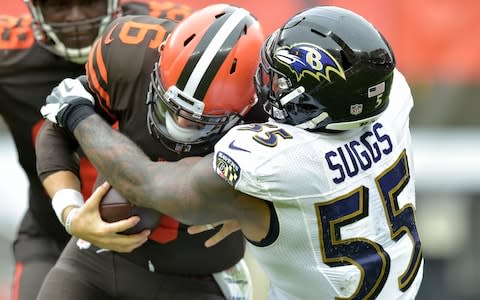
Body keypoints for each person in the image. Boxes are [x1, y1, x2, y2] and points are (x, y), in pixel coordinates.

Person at [40, 5, 425, 300]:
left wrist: (77, 113)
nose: (267, 83)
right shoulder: (388, 100)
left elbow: (148, 184)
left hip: (210, 274)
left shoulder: (278, 157)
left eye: (280, 78)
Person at [35, 3, 267, 299]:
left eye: (199, 120)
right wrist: (71, 213)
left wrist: (260, 205)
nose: (180, 123)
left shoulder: (269, 109)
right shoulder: (129, 55)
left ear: (248, 103)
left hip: (201, 276)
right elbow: (58, 129)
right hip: (97, 259)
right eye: (169, 106)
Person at [0, 1, 192, 299]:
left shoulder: (173, 32)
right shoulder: (10, 54)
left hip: (161, 242)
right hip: (54, 235)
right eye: (57, 4)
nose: (75, 18)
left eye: (89, 2)